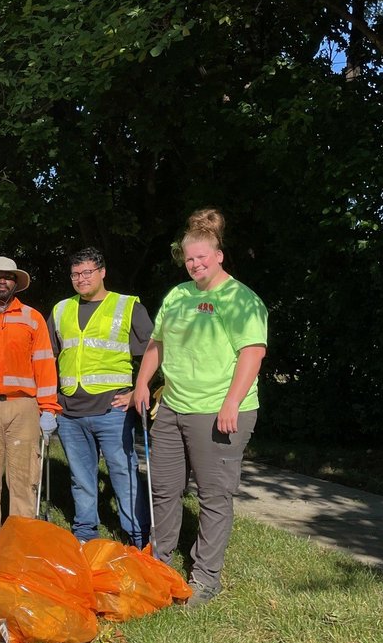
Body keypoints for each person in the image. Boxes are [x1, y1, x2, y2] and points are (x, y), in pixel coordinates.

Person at [134, 209, 267, 607]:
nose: (194, 265)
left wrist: (231, 403)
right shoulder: (178, 295)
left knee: (213, 496)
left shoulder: (241, 299)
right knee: (164, 488)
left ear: (219, 256)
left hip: (220, 410)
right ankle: (159, 561)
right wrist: (143, 382)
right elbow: (157, 343)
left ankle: (206, 578)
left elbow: (252, 353)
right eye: (189, 259)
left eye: (201, 258)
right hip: (173, 407)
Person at [49, 248, 152, 547]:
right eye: (75, 274)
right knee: (80, 478)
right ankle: (85, 534)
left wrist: (138, 391)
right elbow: (47, 357)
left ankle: (137, 536)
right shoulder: (60, 309)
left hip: (113, 410)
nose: (81, 279)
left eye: (87, 272)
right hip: (69, 411)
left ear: (102, 272)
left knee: (123, 474)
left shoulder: (127, 306)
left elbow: (156, 352)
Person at [0, 256, 60, 534]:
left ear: (16, 282)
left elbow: (44, 364)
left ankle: (22, 545)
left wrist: (49, 409)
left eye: (8, 277)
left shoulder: (33, 319)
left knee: (24, 480)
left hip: (24, 408)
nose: (2, 281)